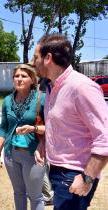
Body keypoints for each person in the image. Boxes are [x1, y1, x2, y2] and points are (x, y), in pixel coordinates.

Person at [33, 33, 108, 210]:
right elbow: (58, 125)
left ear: (48, 58)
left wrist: (87, 178)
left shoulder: (81, 87)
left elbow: (105, 137)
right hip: (57, 170)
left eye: (35, 57)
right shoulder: (52, 87)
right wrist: (43, 145)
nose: (33, 62)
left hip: (75, 174)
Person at [0, 63, 46, 210]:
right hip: (10, 154)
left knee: (35, 197)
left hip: (33, 154)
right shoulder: (7, 101)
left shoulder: (42, 99)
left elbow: (53, 128)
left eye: (24, 76)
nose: (19, 79)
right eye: (16, 76)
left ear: (32, 80)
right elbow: (3, 128)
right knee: (18, 193)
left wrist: (33, 128)